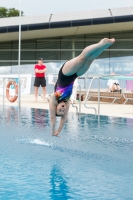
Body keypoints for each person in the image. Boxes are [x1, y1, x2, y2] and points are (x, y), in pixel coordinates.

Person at [49, 38, 115, 137]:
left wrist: (53, 131)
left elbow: (53, 118)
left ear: (56, 108)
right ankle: (105, 46)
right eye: (63, 111)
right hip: (75, 75)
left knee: (82, 58)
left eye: (60, 110)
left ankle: (100, 43)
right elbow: (64, 118)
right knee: (90, 59)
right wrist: (59, 131)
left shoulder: (54, 98)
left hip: (65, 73)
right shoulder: (67, 102)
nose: (63, 109)